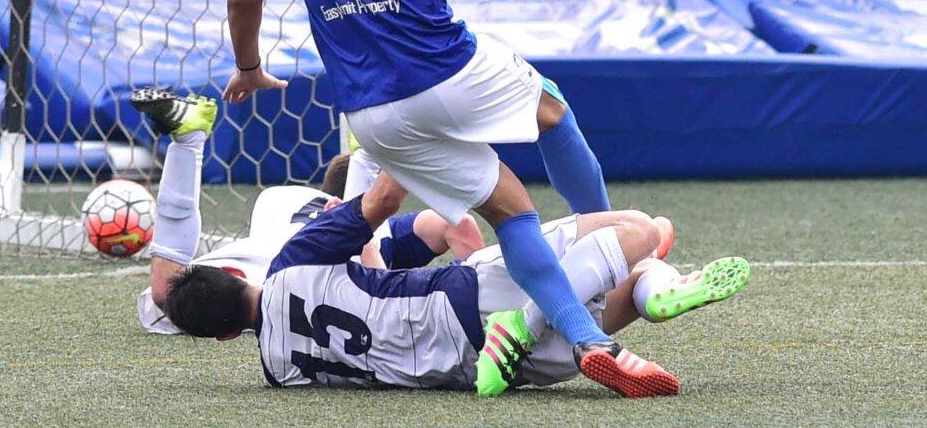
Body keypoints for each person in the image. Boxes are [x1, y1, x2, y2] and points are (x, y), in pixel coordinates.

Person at [221, 0, 740, 396]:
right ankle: (610, 254)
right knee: (550, 110)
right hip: (446, 68)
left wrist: (248, 67)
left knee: (509, 211)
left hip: (369, 113)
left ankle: (590, 338)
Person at [162, 190, 750, 394]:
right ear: (239, 274)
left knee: (605, 294)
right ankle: (533, 319)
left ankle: (649, 293)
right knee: (640, 229)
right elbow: (382, 205)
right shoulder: (291, 261)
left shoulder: (279, 370)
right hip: (466, 300)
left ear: (225, 334)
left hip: (475, 372)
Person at [130, 88, 485, 335]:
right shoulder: (386, 232)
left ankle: (365, 150)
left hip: (257, 263)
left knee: (171, 293)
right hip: (288, 270)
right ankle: (367, 150)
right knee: (354, 272)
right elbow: (460, 226)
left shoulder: (276, 198)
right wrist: (477, 294)